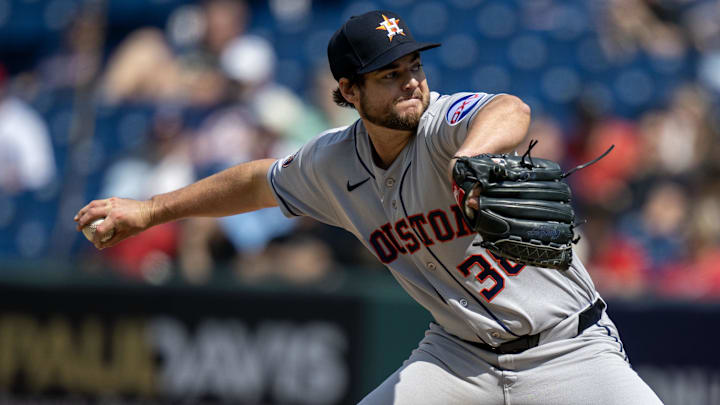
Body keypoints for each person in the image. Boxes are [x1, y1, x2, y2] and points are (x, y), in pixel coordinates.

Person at [74, 10, 663, 404]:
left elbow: (509, 109)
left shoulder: (443, 127)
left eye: (414, 67)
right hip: (458, 357)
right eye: (389, 75)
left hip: (568, 347)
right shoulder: (334, 163)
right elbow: (257, 182)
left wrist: (472, 159)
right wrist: (150, 211)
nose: (411, 83)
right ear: (348, 92)